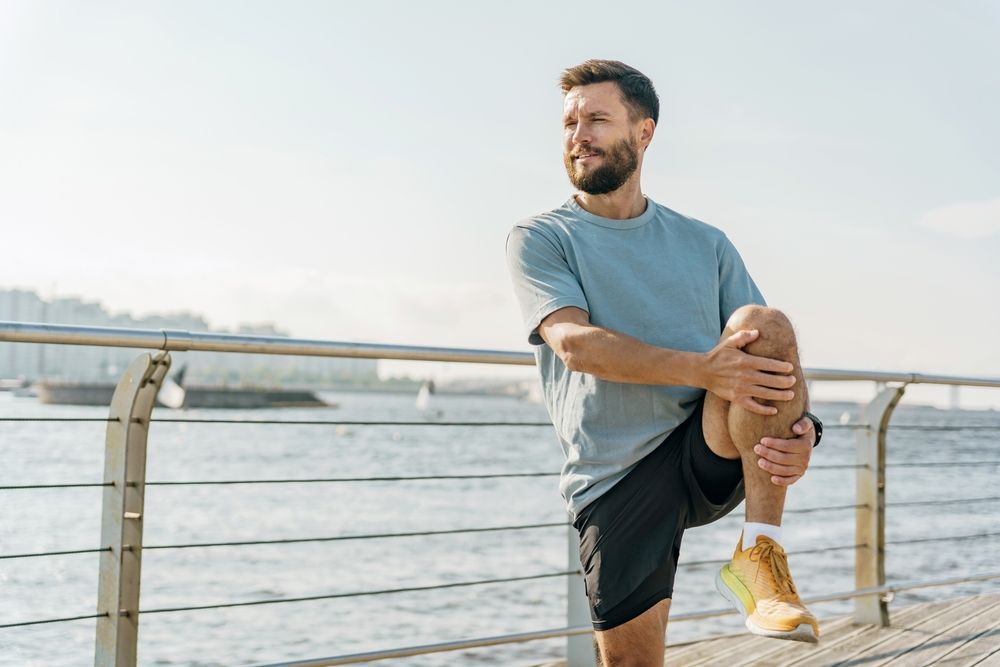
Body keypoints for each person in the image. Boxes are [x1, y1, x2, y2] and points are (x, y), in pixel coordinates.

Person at [505, 60, 823, 665]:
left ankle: (761, 553)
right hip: (616, 474)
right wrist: (704, 370)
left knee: (766, 322)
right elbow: (574, 343)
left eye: (597, 119)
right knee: (631, 661)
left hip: (708, 444)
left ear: (643, 132)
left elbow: (766, 354)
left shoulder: (706, 243)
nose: (579, 134)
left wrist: (803, 430)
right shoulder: (541, 237)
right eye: (570, 122)